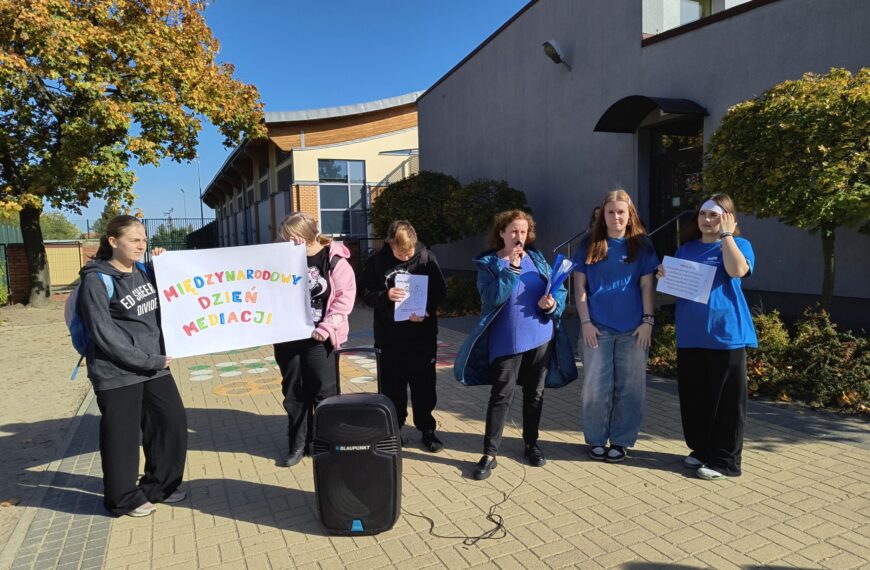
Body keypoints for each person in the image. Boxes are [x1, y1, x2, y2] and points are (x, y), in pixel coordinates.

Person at [76, 215, 186, 517]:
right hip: (116, 372)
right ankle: (121, 499)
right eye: (134, 240)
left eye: (144, 240)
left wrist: (166, 264)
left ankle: (159, 486)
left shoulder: (146, 271)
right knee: (122, 437)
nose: (141, 245)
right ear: (113, 242)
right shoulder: (96, 280)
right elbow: (104, 335)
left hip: (154, 366)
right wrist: (150, 359)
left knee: (170, 422)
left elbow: (178, 296)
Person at [454, 210, 577, 480]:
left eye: (523, 231)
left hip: (540, 336)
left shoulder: (538, 259)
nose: (518, 236)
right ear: (501, 233)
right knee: (501, 395)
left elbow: (558, 291)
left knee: (534, 394)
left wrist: (554, 304)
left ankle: (531, 444)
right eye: (513, 231)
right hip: (505, 341)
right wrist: (511, 269)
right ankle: (489, 453)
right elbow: (491, 298)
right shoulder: (489, 264)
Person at [657, 194, 757, 481]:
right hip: (690, 336)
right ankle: (701, 449)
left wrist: (726, 235)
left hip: (726, 336)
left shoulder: (740, 245)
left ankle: (726, 460)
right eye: (703, 214)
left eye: (715, 215)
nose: (707, 220)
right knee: (695, 399)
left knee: (727, 403)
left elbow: (737, 270)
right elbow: (673, 291)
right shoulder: (686, 249)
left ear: (727, 217)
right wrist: (664, 275)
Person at [572, 190, 658, 463]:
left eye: (621, 212)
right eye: (611, 212)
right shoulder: (590, 244)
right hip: (597, 328)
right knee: (596, 388)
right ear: (603, 215)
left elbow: (647, 286)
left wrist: (647, 321)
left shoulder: (642, 245)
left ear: (629, 214)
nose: (616, 217)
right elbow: (579, 287)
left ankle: (621, 441)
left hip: (633, 330)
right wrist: (585, 321)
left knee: (631, 389)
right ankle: (596, 439)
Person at [273, 212, 356, 467]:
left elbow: (344, 299)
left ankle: (328, 442)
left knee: (324, 392)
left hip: (320, 339)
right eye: (284, 239)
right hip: (289, 338)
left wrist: (327, 327)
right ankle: (298, 444)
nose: (286, 242)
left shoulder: (335, 261)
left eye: (290, 238)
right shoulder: (283, 259)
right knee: (294, 393)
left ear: (304, 236)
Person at [361, 220, 448, 451]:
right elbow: (366, 294)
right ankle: (394, 429)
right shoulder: (376, 262)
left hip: (422, 337)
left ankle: (427, 430)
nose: (407, 254)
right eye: (402, 251)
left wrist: (426, 310)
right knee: (392, 387)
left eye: (410, 249)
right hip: (389, 338)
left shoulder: (426, 258)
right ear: (390, 243)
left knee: (424, 386)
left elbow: (440, 292)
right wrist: (386, 295)